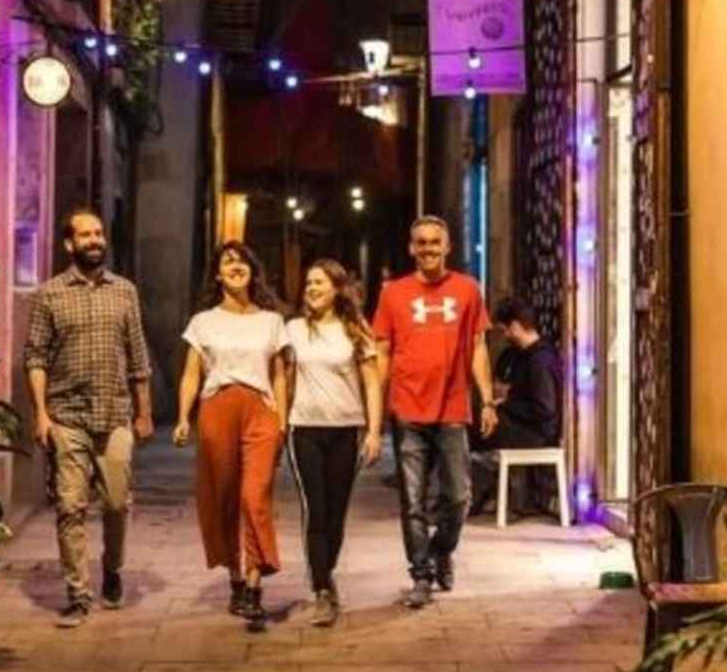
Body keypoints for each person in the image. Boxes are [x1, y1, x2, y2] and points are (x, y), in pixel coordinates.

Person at [23, 208, 154, 628]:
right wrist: (41, 414)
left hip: (115, 413)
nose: (95, 240)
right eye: (86, 235)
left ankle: (112, 570)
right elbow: (35, 357)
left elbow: (138, 356)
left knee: (116, 503)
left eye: (99, 234)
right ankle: (78, 594)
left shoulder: (125, 291)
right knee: (70, 506)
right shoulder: (49, 294)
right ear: (69, 243)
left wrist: (144, 410)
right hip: (67, 416)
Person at [372, 215, 492, 608]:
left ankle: (443, 549)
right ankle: (421, 574)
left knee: (459, 496)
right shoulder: (393, 294)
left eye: (434, 242)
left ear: (448, 246)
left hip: (453, 408)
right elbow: (383, 353)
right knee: (412, 500)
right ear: (412, 248)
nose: (428, 249)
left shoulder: (467, 290)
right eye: (421, 243)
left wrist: (487, 400)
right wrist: (374, 417)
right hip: (407, 409)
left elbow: (477, 347)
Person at [173, 242, 289, 631]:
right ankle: (235, 579)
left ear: (253, 271)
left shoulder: (272, 321)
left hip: (261, 409)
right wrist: (182, 418)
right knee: (221, 496)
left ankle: (256, 585)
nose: (235, 266)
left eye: (242, 261)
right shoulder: (203, 321)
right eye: (227, 261)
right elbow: (191, 372)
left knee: (254, 496)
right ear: (218, 275)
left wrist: (282, 419)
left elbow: (279, 373)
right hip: (217, 407)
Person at [283, 260, 384, 627]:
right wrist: (280, 424)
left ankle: (326, 572)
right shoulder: (293, 330)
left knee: (337, 512)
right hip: (305, 429)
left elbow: (372, 383)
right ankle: (323, 588)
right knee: (316, 510)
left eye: (319, 282)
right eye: (308, 282)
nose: (311, 288)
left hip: (346, 429)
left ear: (337, 288)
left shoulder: (356, 330)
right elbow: (286, 380)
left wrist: (373, 431)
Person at [473, 297, 564, 517]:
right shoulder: (521, 357)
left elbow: (544, 409)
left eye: (505, 330)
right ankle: (477, 493)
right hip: (523, 425)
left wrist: (506, 404)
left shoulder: (540, 360)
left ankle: (471, 496)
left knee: (465, 431)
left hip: (536, 433)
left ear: (515, 326)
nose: (504, 336)